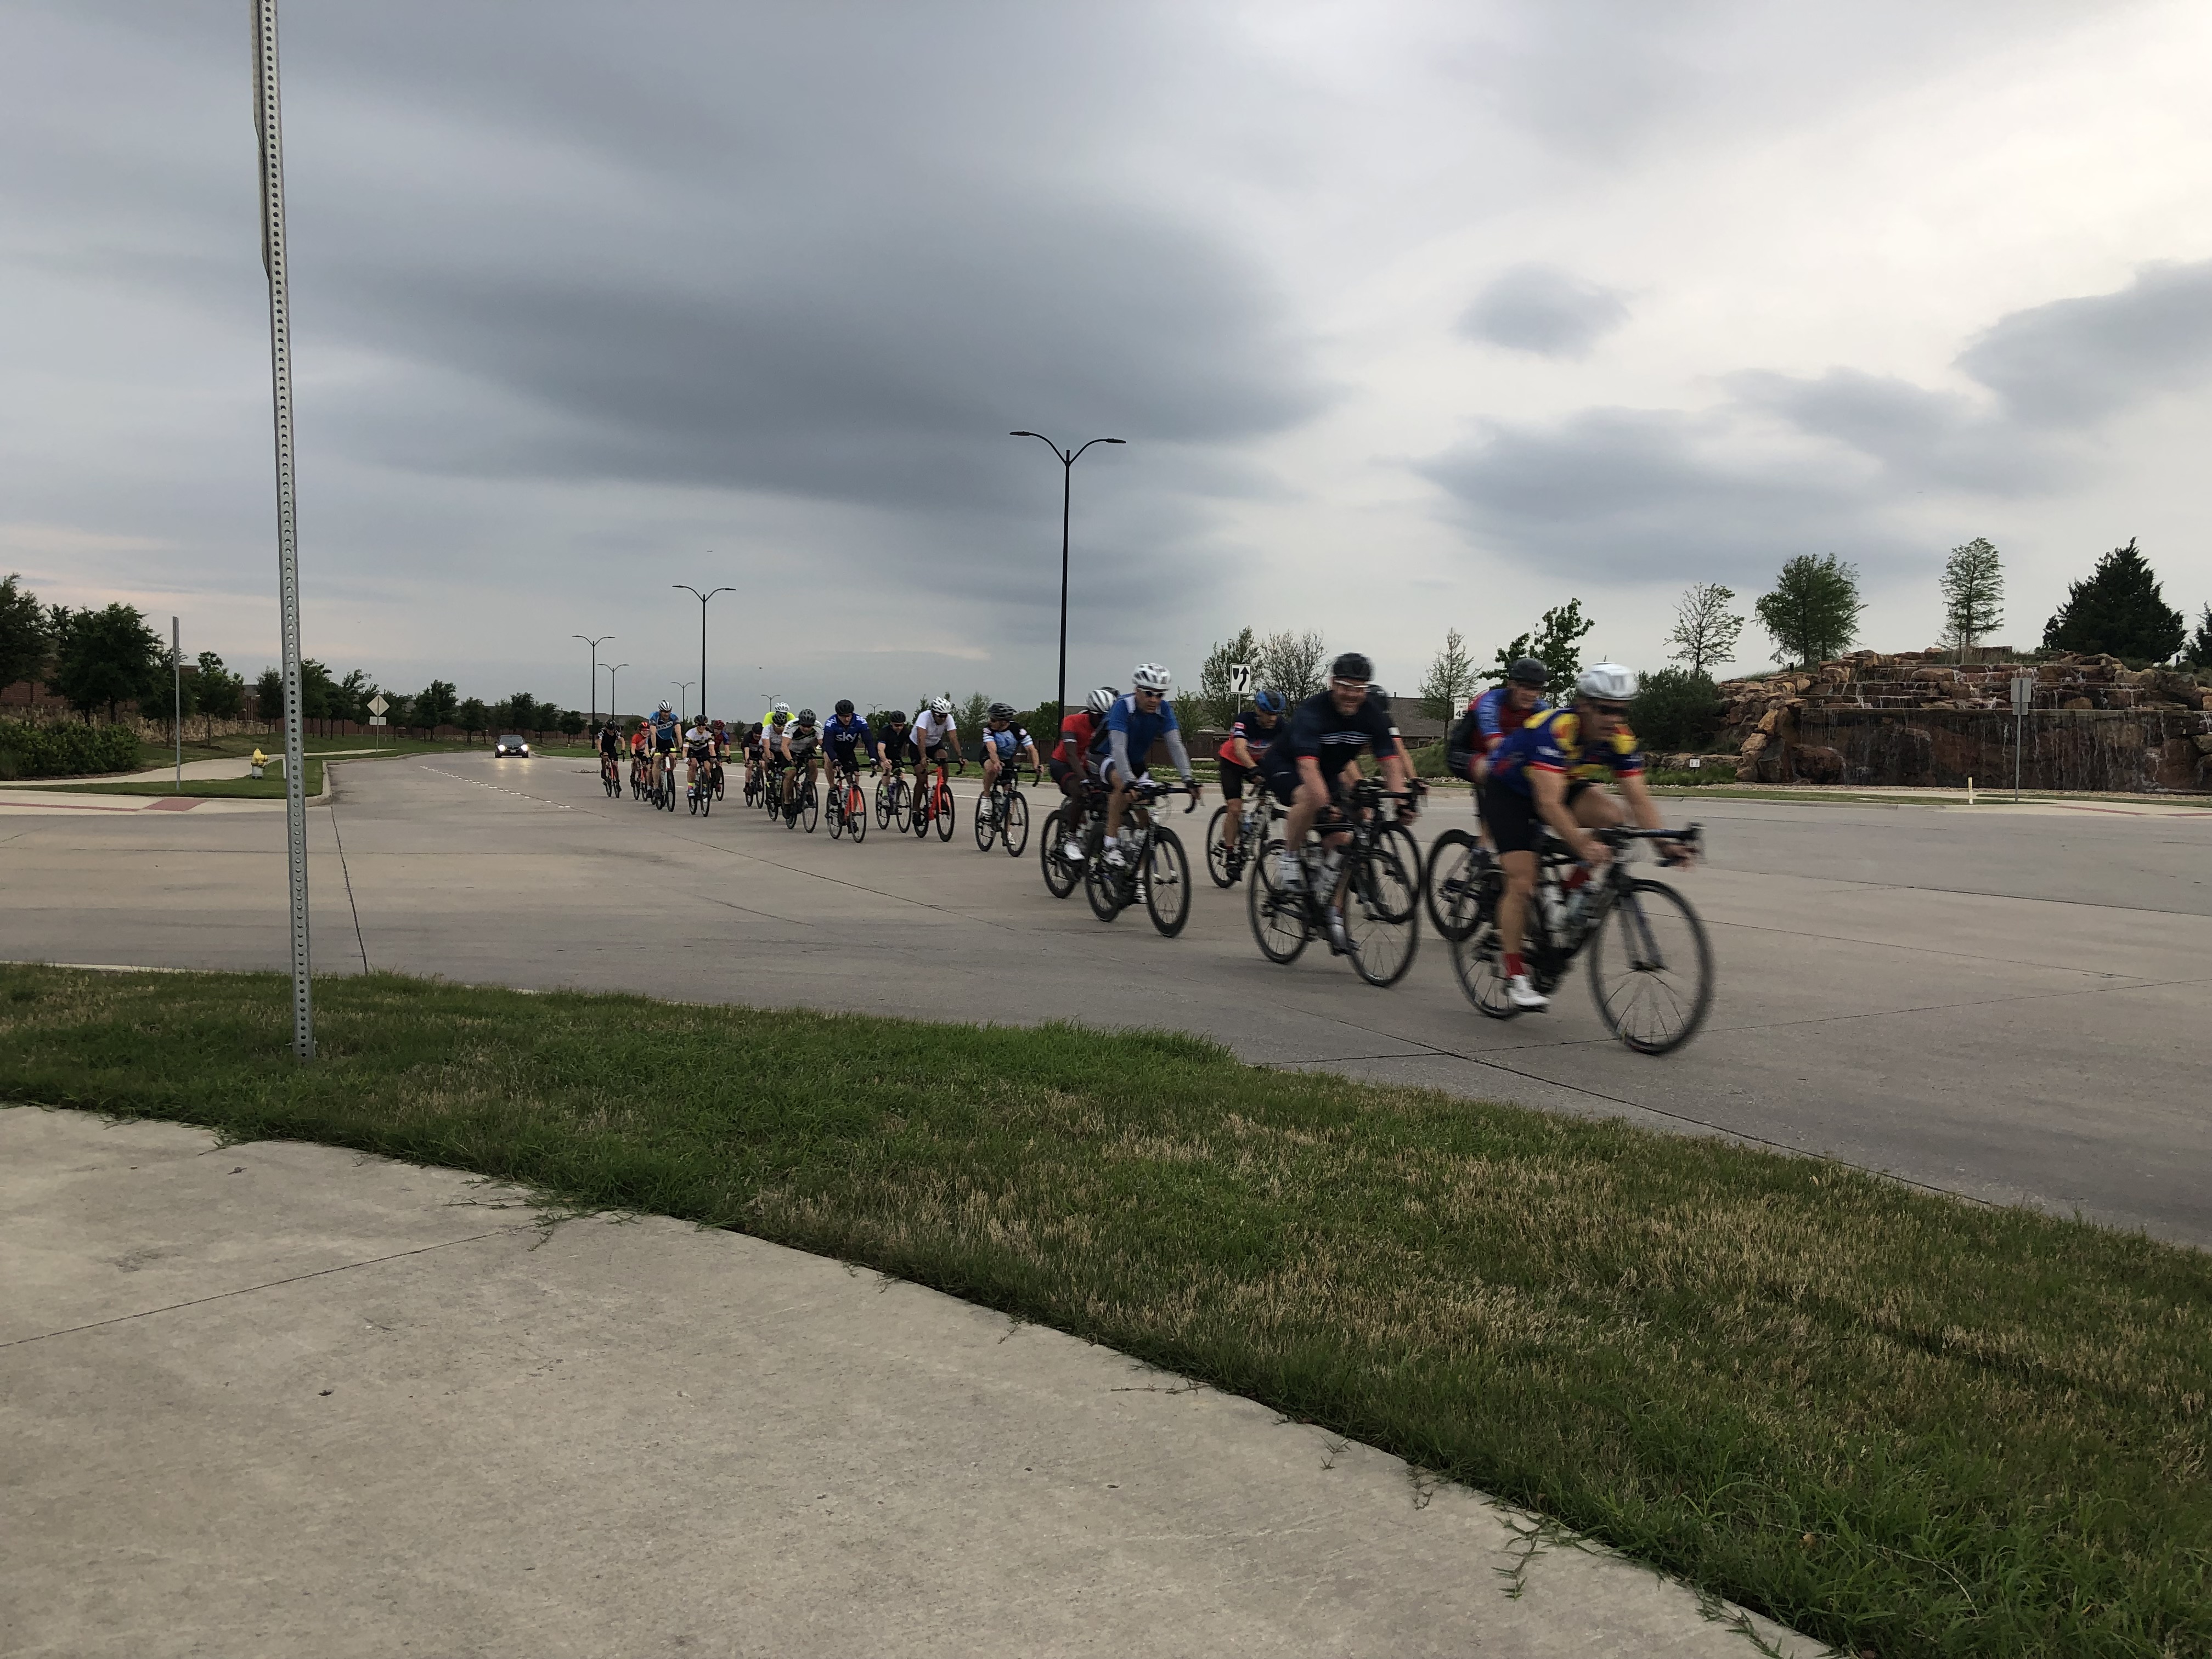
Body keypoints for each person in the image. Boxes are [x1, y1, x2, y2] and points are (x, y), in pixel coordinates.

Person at [1484, 663, 1689, 1012]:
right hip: (1510, 791)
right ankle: (1515, 975)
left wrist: (1664, 843)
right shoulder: (1554, 731)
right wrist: (1582, 845)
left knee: (1613, 818)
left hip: (1560, 781)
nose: (1613, 718)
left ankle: (1565, 894)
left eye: (1621, 710)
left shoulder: (1620, 739)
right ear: (1583, 705)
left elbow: (1638, 798)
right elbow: (1547, 804)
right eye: (1604, 709)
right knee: (1522, 880)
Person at [1262, 653, 1421, 913]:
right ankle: (1289, 857)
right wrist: (1325, 806)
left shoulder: (1372, 715)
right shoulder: (1312, 712)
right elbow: (1307, 766)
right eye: (1345, 687)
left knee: (1344, 842)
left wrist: (1401, 800)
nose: (1351, 694)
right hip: (1287, 765)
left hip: (1326, 773)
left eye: (1359, 689)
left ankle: (1332, 911)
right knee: (1313, 800)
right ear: (1332, 683)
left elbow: (1391, 762)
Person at [1088, 663, 1200, 867]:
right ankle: (1110, 846)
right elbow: (1119, 747)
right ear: (1137, 690)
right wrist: (1130, 782)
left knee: (1147, 820)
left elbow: (1175, 744)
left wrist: (1188, 779)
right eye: (1149, 693)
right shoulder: (1124, 707)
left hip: (1134, 761)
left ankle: (1137, 876)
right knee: (1122, 785)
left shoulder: (1164, 710)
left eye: (1160, 695)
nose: (1154, 700)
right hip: (1104, 755)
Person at [1448, 658, 1551, 789]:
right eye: (1526, 687)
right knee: (1497, 772)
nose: (1532, 694)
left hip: (1499, 754)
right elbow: (1496, 746)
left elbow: (1552, 738)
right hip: (1465, 753)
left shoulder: (1540, 708)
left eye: (1537, 689)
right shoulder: (1489, 703)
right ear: (1511, 684)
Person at [1216, 689, 1286, 857]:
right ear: (1259, 710)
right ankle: (1230, 851)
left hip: (1257, 760)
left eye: (1276, 714)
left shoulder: (1281, 725)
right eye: (1268, 713)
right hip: (1232, 763)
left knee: (1268, 792)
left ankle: (1257, 823)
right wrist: (1253, 769)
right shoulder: (1244, 720)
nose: (1272, 719)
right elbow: (1240, 750)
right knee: (1235, 808)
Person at [977, 702, 1040, 810]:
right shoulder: (988, 729)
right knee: (992, 768)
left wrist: (1036, 765)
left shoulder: (1017, 730)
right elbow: (992, 749)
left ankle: (1006, 825)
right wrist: (996, 762)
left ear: (1003, 722)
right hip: (989, 756)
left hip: (1007, 760)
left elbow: (1032, 749)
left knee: (1009, 797)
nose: (990, 722)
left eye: (993, 720)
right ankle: (986, 797)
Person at [909, 698, 960, 818]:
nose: (943, 719)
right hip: (917, 746)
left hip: (935, 744)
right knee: (921, 778)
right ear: (933, 713)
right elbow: (921, 738)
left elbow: (953, 738)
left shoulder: (948, 718)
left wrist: (961, 756)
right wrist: (923, 757)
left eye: (945, 716)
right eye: (940, 716)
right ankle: (915, 809)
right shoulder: (924, 717)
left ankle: (940, 791)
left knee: (944, 758)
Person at [821, 699, 874, 803]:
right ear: (838, 715)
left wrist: (873, 758)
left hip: (848, 752)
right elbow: (828, 745)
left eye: (849, 715)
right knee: (828, 758)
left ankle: (850, 815)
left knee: (855, 781)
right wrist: (835, 759)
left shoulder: (860, 721)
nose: (847, 719)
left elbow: (869, 741)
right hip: (833, 750)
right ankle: (832, 788)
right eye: (843, 716)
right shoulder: (831, 723)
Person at [777, 707, 822, 815]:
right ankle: (787, 801)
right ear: (799, 723)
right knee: (791, 773)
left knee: (813, 764)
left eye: (809, 726)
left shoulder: (818, 726)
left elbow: (822, 743)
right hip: (791, 751)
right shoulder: (791, 726)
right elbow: (784, 746)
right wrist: (791, 760)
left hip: (805, 749)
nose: (806, 729)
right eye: (804, 726)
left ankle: (809, 790)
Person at [682, 716, 714, 795]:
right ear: (696, 725)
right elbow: (685, 749)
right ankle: (690, 788)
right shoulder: (691, 733)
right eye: (699, 725)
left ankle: (705, 786)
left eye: (703, 725)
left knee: (707, 767)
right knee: (694, 764)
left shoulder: (709, 733)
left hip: (703, 750)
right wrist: (685, 758)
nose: (701, 727)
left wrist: (713, 757)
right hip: (692, 750)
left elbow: (711, 748)